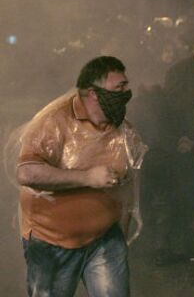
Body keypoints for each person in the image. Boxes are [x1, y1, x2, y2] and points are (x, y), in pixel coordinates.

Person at [16, 56, 144, 297]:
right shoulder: (54, 121)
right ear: (93, 93)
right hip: (53, 241)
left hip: (104, 238)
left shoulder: (123, 130)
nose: (126, 92)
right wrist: (87, 177)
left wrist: (122, 231)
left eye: (126, 85)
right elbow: (27, 172)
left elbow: (126, 185)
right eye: (119, 87)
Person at [152, 37, 194, 265]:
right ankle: (170, 246)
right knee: (177, 192)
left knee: (190, 189)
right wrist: (184, 137)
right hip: (178, 139)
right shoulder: (179, 72)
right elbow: (176, 108)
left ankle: (185, 242)